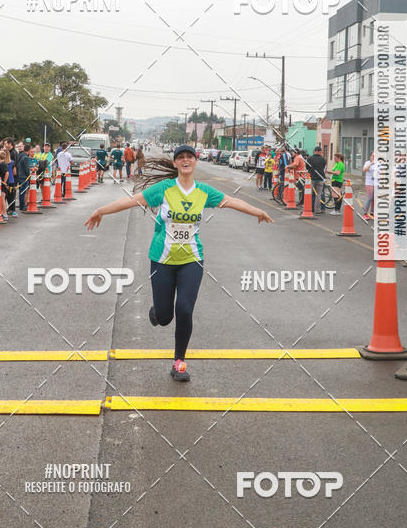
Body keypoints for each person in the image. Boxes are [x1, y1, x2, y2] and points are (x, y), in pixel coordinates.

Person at [84, 145, 274, 382]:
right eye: (181, 158)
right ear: (175, 164)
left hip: (191, 259)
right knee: (165, 317)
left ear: (194, 162)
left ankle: (179, 362)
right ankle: (157, 312)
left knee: (184, 309)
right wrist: (101, 210)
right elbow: (133, 201)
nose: (185, 160)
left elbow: (232, 201)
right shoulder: (163, 190)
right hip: (162, 259)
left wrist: (258, 211)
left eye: (189, 157)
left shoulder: (204, 192)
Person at [306, 145, 327, 215]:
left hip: (311, 178)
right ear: (320, 151)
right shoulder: (323, 159)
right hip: (320, 178)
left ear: (315, 151)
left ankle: (310, 208)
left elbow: (307, 167)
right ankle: (317, 209)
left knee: (310, 194)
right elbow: (324, 167)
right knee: (318, 195)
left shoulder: (310, 158)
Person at [17, 142, 32, 211]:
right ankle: (22, 206)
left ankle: (21, 205)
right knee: (23, 192)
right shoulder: (25, 157)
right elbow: (26, 169)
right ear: (28, 150)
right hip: (24, 177)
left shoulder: (21, 155)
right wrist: (29, 175)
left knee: (21, 191)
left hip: (20, 175)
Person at [362, 150, 376, 220]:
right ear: (370, 156)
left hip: (376, 183)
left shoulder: (379, 164)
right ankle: (365, 213)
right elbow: (364, 170)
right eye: (373, 156)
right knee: (369, 198)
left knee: (374, 199)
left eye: (375, 156)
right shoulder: (367, 163)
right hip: (369, 183)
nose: (374, 157)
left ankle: (372, 213)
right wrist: (371, 164)